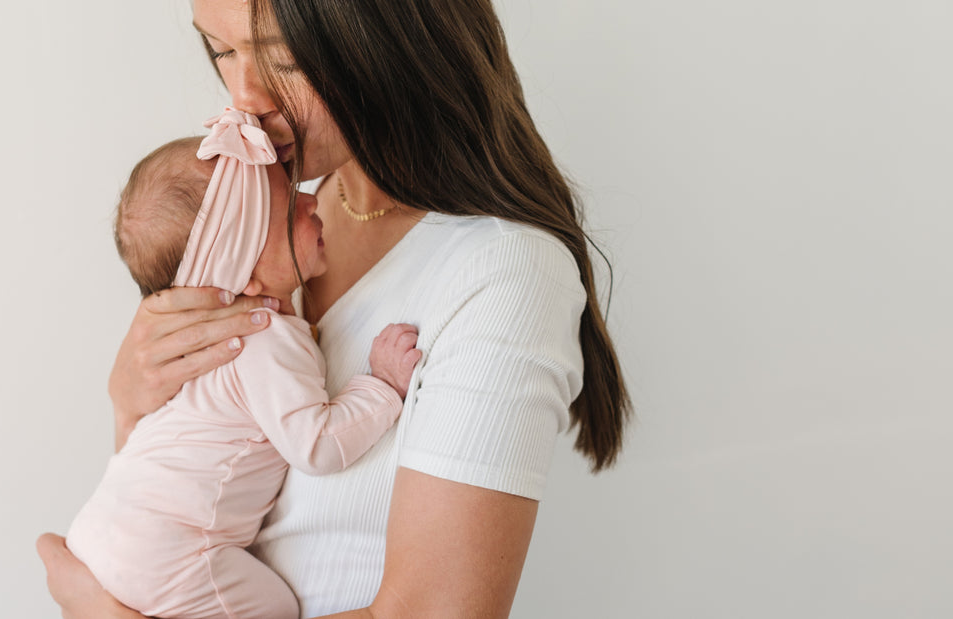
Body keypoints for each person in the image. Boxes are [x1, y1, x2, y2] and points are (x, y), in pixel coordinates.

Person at [37, 1, 631, 617]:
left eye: (284, 58)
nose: (244, 98)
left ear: (390, 35)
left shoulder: (501, 270)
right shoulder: (261, 239)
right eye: (221, 50)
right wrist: (131, 406)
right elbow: (182, 505)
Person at [65, 109, 420, 619]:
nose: (310, 198)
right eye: (286, 211)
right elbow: (316, 444)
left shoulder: (210, 338)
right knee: (276, 606)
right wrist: (382, 387)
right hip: (170, 558)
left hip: (109, 529)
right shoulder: (263, 336)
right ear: (243, 277)